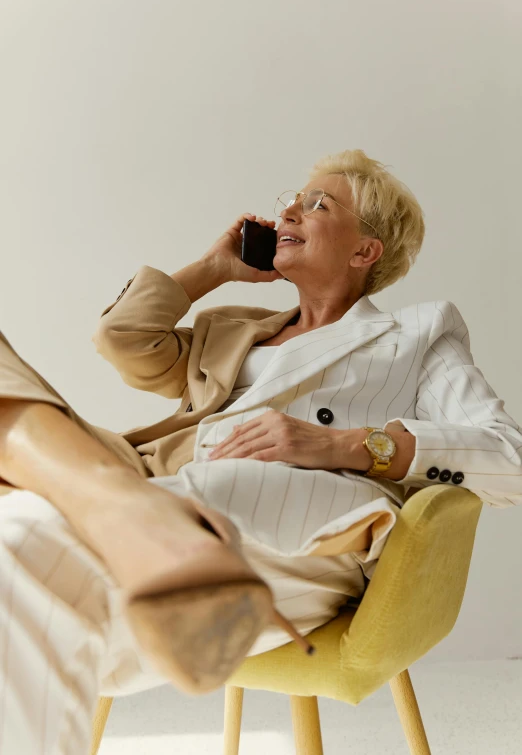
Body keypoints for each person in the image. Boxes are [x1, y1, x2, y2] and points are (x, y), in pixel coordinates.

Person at [1, 148, 521, 753]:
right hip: (155, 483)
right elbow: (120, 339)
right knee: (29, 533)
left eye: (318, 204)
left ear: (364, 250)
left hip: (299, 515)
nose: (291, 212)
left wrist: (341, 443)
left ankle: (108, 508)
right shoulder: (233, 330)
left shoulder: (416, 335)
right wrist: (214, 267)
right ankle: (125, 509)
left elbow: (508, 459)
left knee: (30, 529)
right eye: (291, 203)